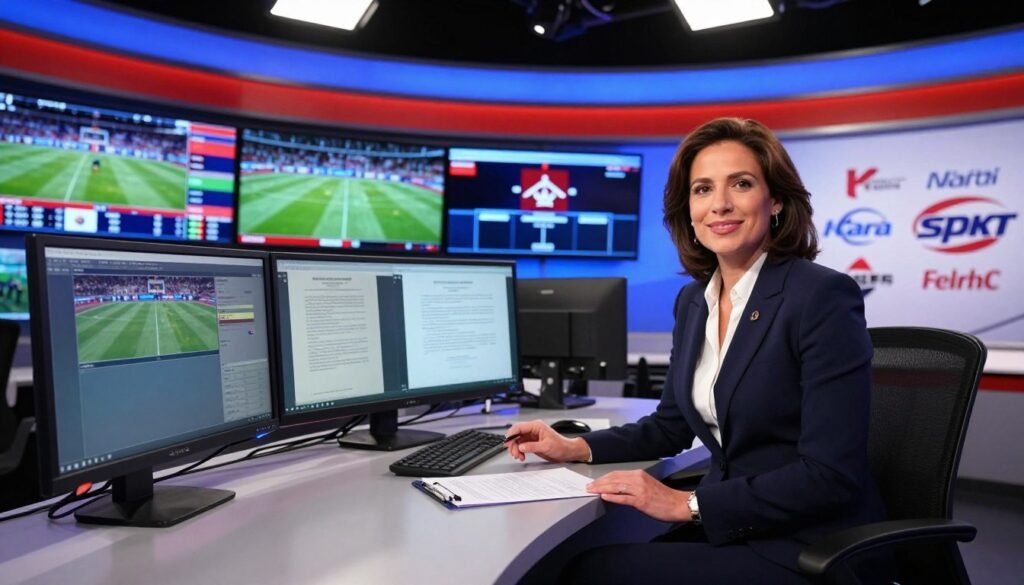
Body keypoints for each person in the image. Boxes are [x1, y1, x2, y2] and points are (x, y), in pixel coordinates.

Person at [505, 117, 886, 584]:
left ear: (778, 201)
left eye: (741, 184)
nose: (720, 204)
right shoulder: (694, 301)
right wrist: (574, 446)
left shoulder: (821, 296)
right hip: (735, 528)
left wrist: (686, 503)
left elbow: (830, 474)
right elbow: (669, 427)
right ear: (687, 210)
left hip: (809, 544)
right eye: (702, 190)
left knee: (590, 573)